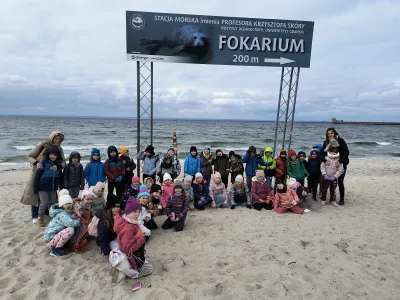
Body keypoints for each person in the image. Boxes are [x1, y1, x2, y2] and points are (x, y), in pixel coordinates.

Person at [21, 131, 65, 224]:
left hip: (51, 176)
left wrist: (58, 167)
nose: (58, 141)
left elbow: (63, 162)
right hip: (38, 172)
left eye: (60, 139)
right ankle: (35, 215)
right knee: (35, 195)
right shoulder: (43, 145)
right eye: (56, 138)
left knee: (49, 198)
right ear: (52, 137)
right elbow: (30, 156)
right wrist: (37, 164)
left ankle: (46, 214)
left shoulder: (59, 149)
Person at [113, 197, 149, 274]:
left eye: (139, 211)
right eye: (134, 211)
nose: (137, 214)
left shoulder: (131, 222)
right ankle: (135, 268)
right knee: (138, 264)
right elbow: (128, 249)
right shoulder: (128, 228)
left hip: (135, 249)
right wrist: (142, 239)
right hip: (133, 255)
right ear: (127, 212)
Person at [33, 146, 64, 227]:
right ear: (48, 155)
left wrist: (61, 187)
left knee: (52, 203)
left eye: (55, 155)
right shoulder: (43, 163)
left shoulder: (58, 166)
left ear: (57, 156)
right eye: (51, 154)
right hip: (42, 187)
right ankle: (40, 218)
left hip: (53, 188)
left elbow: (60, 177)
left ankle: (51, 217)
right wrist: (35, 187)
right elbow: (37, 176)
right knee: (44, 203)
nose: (53, 156)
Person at [44, 189, 80, 257]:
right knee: (71, 230)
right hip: (51, 236)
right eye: (66, 204)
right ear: (61, 205)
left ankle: (55, 245)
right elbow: (71, 224)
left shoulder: (67, 212)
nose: (68, 205)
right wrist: (78, 218)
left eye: (70, 203)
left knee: (70, 230)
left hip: (56, 233)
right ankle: (56, 248)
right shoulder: (61, 214)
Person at [320, 128, 350, 205]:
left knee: (340, 181)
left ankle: (342, 198)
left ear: (335, 133)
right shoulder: (326, 142)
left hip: (341, 163)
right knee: (328, 181)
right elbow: (322, 153)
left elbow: (346, 152)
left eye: (331, 133)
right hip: (330, 164)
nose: (330, 135)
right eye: (328, 133)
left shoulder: (340, 141)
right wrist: (324, 160)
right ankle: (329, 197)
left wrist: (340, 161)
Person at [320, 139, 344, 207]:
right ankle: (323, 200)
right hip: (326, 176)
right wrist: (324, 174)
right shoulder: (325, 159)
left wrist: (335, 176)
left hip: (334, 177)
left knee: (333, 189)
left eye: (335, 151)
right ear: (329, 151)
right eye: (332, 151)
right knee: (324, 188)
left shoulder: (339, 161)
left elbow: (340, 170)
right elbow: (322, 167)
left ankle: (333, 200)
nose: (333, 153)